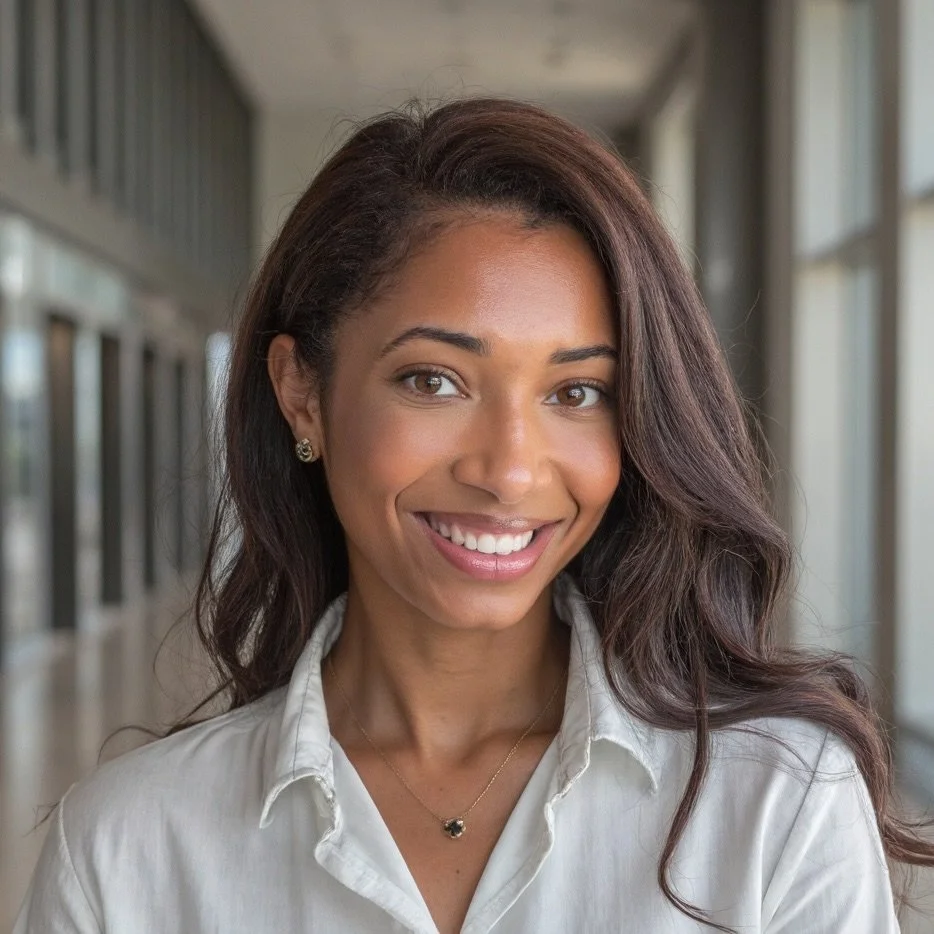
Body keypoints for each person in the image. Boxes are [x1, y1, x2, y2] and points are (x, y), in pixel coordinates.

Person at [14, 98, 933, 934]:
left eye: (577, 391)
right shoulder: (128, 850)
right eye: (434, 380)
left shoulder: (775, 802)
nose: (510, 469)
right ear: (303, 394)